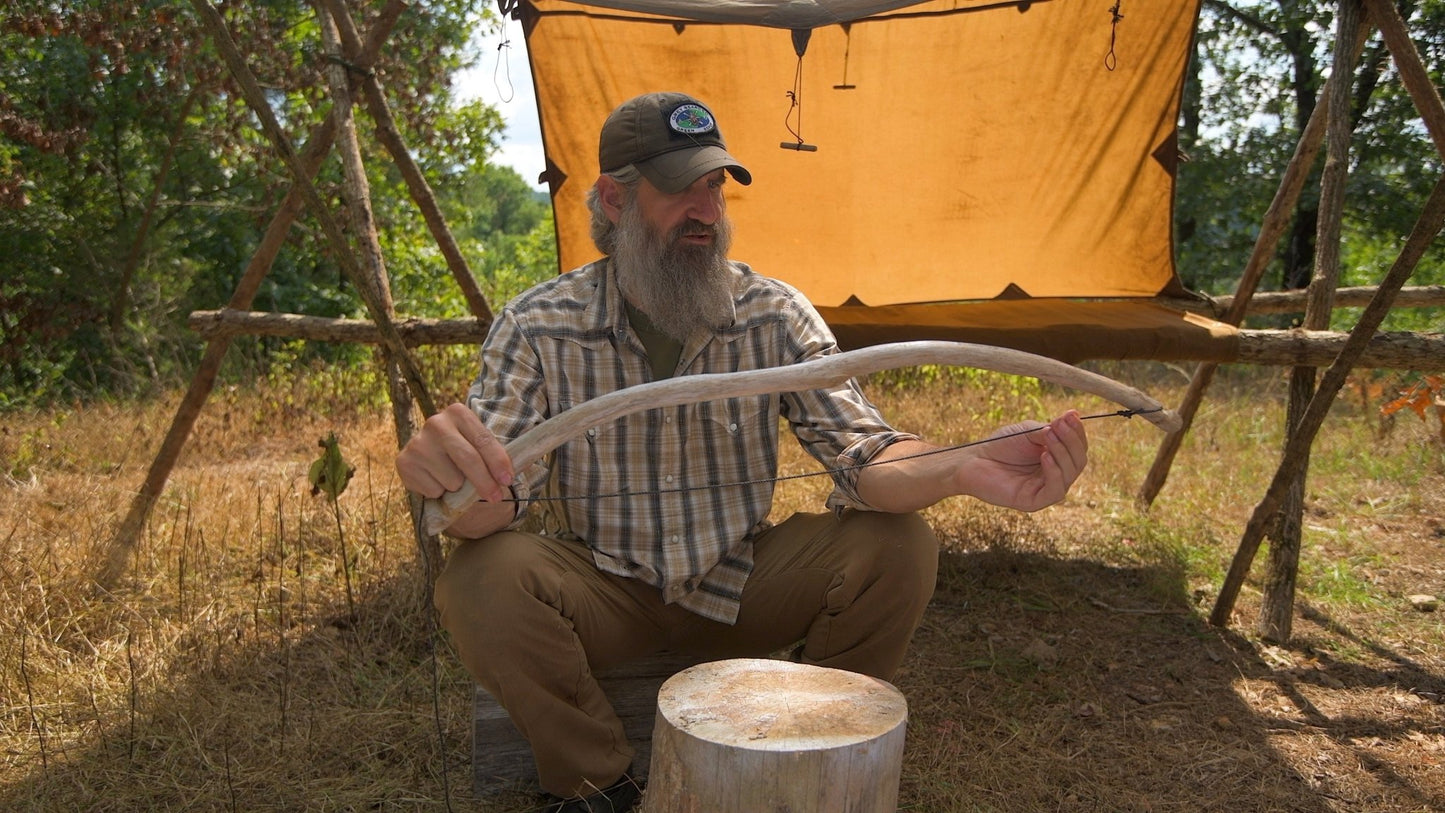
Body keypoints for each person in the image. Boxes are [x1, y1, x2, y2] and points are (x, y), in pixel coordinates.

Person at [396, 91, 1089, 813]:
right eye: (680, 188)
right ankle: (597, 781)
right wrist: (448, 482)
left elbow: (863, 451)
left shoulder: (772, 310)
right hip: (604, 589)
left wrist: (958, 466)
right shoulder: (538, 324)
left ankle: (816, 740)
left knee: (897, 543)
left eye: (715, 185)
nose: (706, 210)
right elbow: (493, 500)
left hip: (742, 583)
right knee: (482, 574)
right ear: (614, 197)